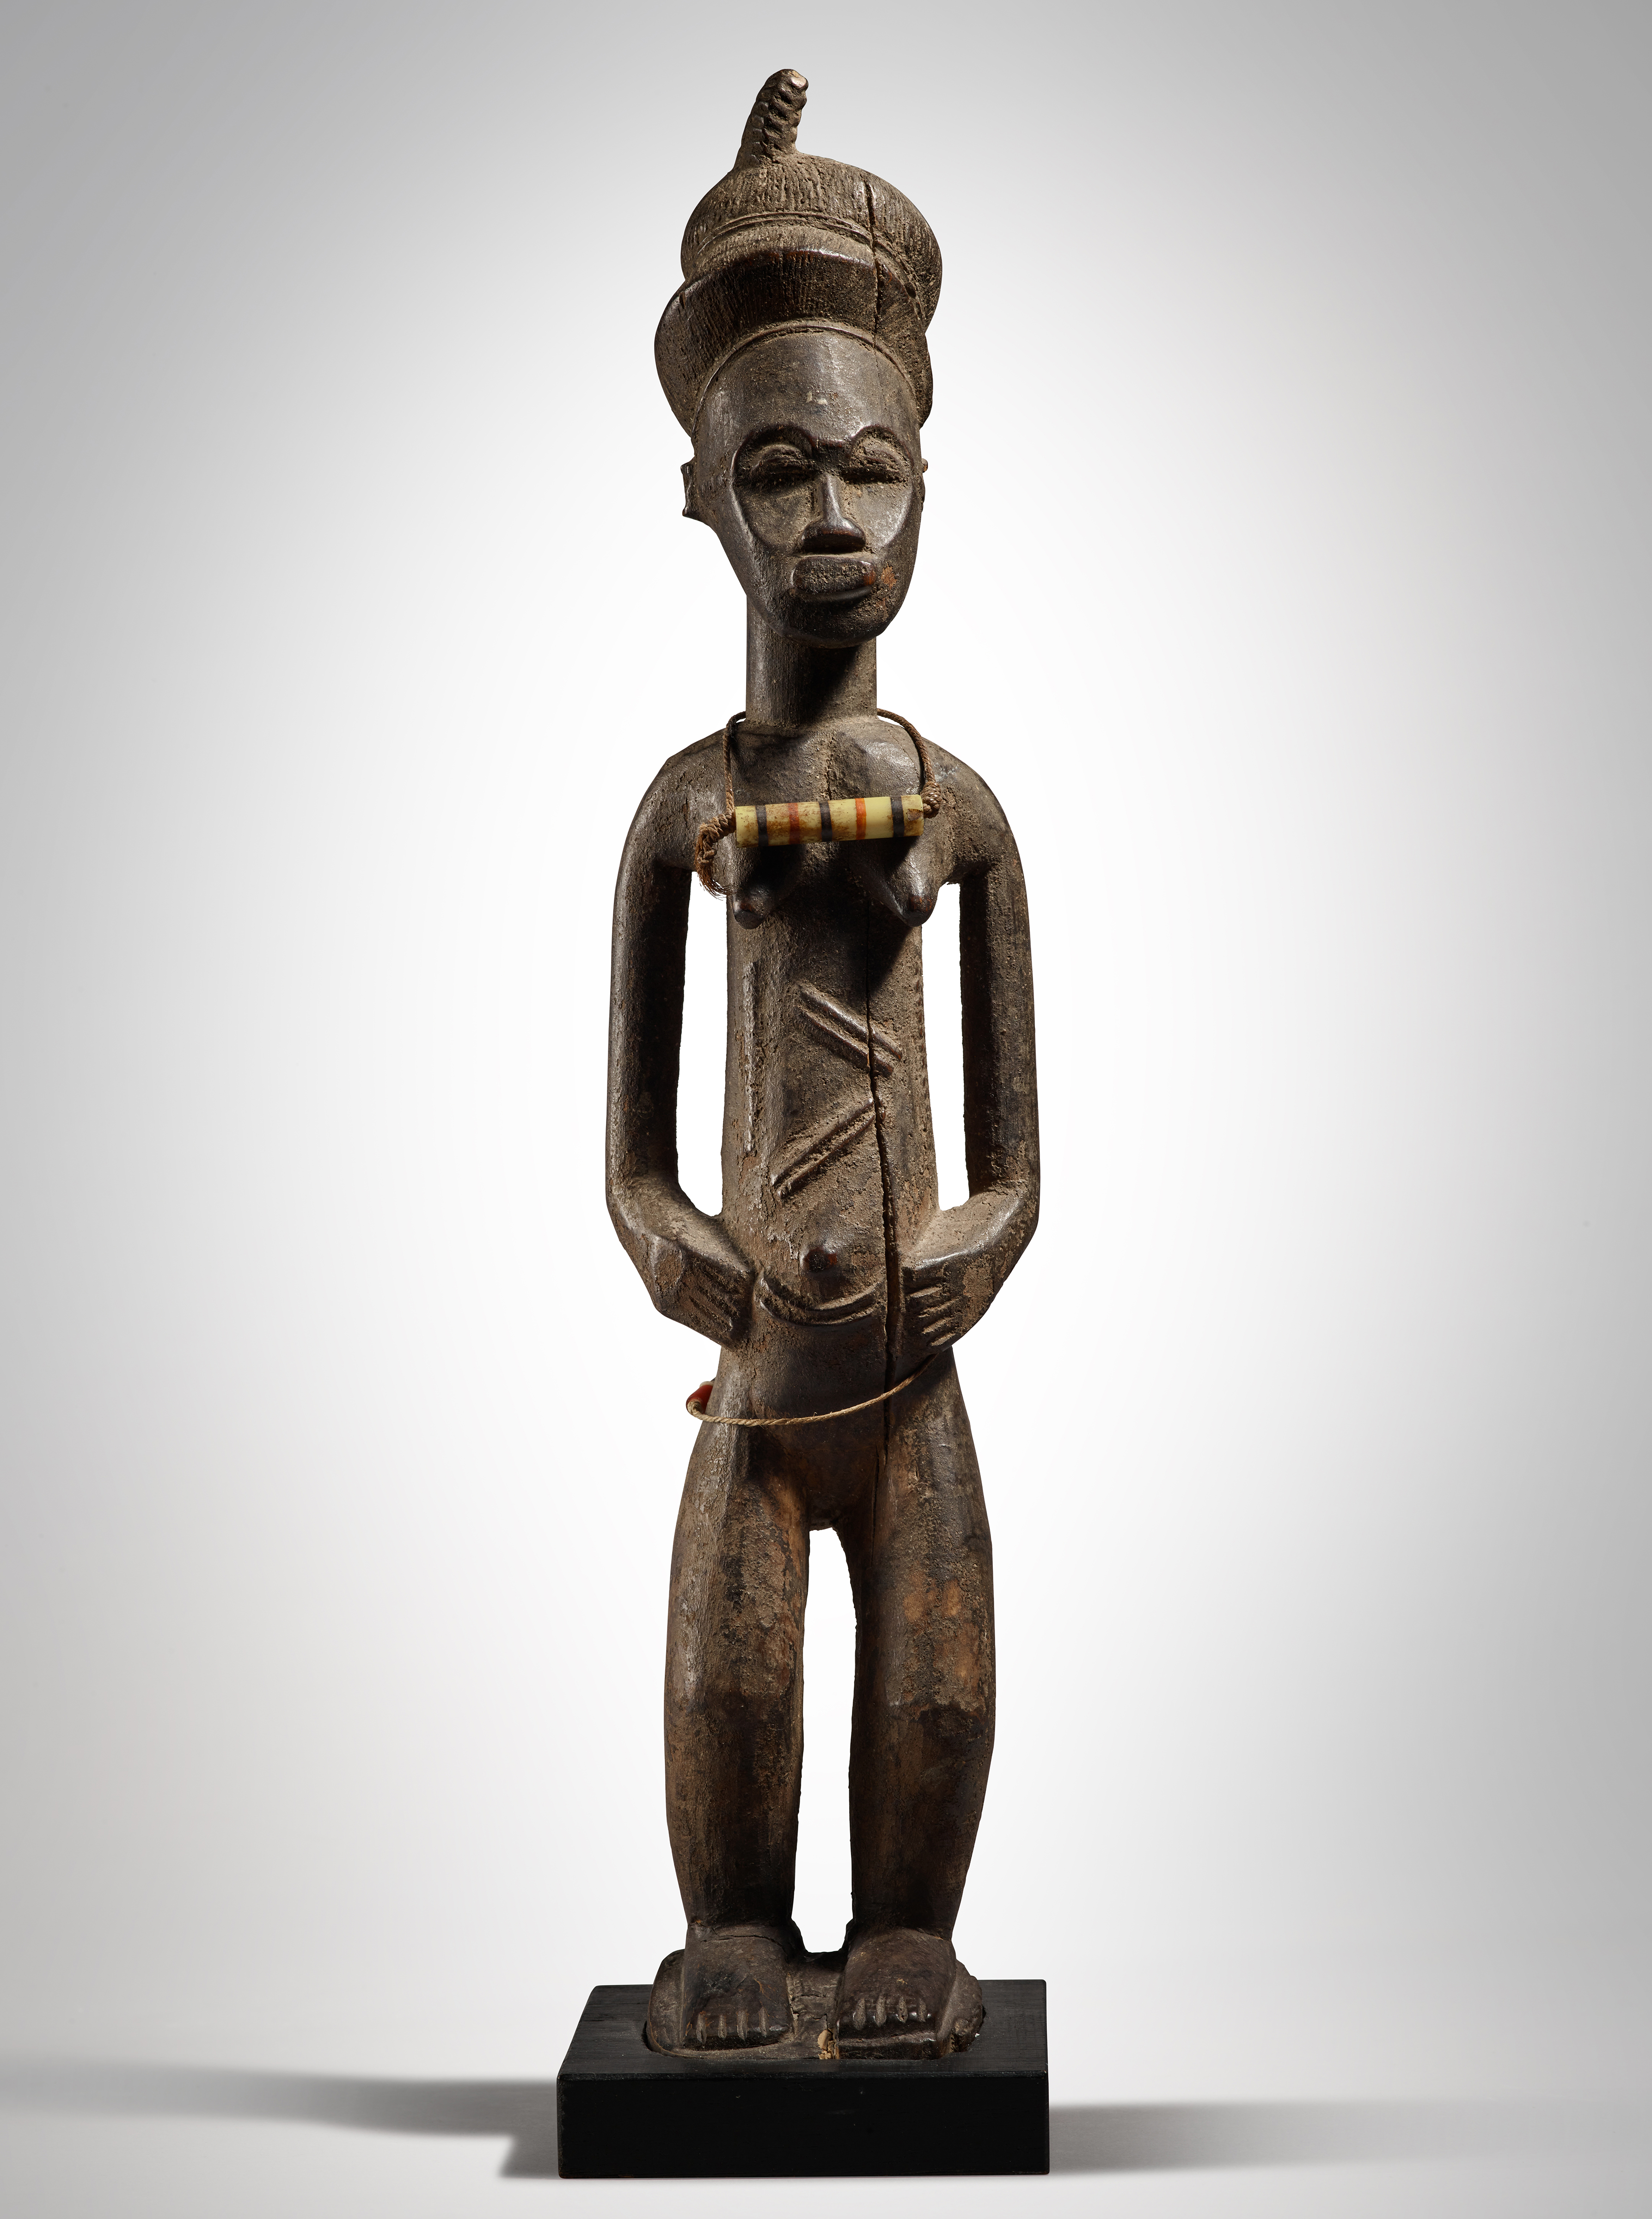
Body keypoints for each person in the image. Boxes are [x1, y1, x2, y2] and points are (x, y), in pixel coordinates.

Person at [606, 69, 1039, 2059]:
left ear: (927, 487)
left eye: (873, 475)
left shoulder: (964, 812)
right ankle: (732, 1934)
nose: (834, 524)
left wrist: (988, 1239)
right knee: (733, 1663)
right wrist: (664, 1238)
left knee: (937, 1671)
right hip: (767, 1362)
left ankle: (909, 1934)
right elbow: (629, 1149)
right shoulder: (683, 808)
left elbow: (1019, 1149)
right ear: (705, 493)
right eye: (779, 477)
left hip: (907, 1356)